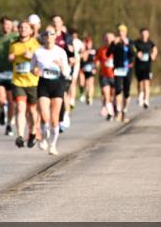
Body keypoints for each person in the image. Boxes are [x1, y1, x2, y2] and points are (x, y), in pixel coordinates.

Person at [33, 27, 71, 155]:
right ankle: (44, 138)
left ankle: (53, 145)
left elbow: (66, 73)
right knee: (44, 117)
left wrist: (61, 65)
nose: (49, 35)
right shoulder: (38, 52)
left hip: (57, 84)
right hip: (43, 83)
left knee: (55, 119)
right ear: (43, 36)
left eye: (52, 34)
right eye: (46, 33)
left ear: (55, 37)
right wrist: (35, 71)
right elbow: (32, 68)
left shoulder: (61, 52)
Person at [9, 20, 40, 148]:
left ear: (31, 30)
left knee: (32, 110)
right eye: (21, 27)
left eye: (26, 28)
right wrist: (11, 57)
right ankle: (20, 136)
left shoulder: (35, 44)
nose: (22, 29)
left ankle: (33, 132)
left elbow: (40, 60)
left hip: (33, 81)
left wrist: (31, 56)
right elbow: (10, 57)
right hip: (18, 81)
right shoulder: (14, 44)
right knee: (20, 108)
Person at [0, 16, 18, 136]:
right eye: (5, 24)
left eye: (9, 24)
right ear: (1, 25)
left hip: (13, 72)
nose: (7, 26)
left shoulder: (16, 36)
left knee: (11, 101)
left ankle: (9, 125)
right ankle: (2, 110)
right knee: (1, 99)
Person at [108, 24, 135, 122]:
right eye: (119, 32)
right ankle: (118, 111)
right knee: (118, 89)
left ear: (126, 32)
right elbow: (108, 54)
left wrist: (127, 44)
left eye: (123, 32)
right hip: (118, 69)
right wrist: (113, 44)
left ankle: (124, 111)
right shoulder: (115, 42)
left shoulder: (130, 42)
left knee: (127, 92)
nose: (121, 33)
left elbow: (133, 54)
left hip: (128, 69)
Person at [133, 27, 157, 110]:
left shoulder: (150, 43)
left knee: (146, 82)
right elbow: (132, 48)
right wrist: (136, 53)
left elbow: (155, 49)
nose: (144, 35)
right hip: (138, 65)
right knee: (140, 82)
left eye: (146, 33)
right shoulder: (136, 42)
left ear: (148, 34)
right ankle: (140, 94)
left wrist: (154, 55)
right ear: (140, 34)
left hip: (147, 66)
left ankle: (146, 100)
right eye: (142, 34)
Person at [95, 32, 117, 119]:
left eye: (110, 39)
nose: (108, 41)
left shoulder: (116, 49)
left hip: (115, 75)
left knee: (112, 95)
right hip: (104, 75)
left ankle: (110, 108)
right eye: (106, 39)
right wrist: (97, 64)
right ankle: (110, 113)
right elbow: (96, 60)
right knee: (106, 93)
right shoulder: (101, 50)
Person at [79, 34, 97, 105]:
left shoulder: (94, 50)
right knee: (82, 83)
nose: (88, 44)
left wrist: (95, 68)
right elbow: (83, 59)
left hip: (91, 69)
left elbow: (96, 60)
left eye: (89, 43)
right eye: (87, 43)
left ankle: (90, 97)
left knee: (90, 83)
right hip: (83, 69)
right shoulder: (82, 50)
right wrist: (84, 51)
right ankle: (83, 93)